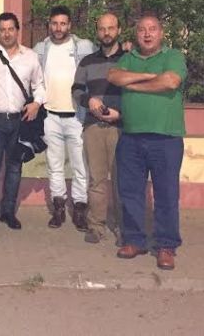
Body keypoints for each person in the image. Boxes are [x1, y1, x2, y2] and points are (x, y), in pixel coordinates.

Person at [108, 15, 187, 270]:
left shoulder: (173, 56)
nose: (147, 34)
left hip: (166, 138)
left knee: (166, 194)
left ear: (161, 33)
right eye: (142, 30)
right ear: (136, 34)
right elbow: (114, 76)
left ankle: (166, 246)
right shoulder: (128, 57)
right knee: (130, 192)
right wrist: (150, 76)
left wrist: (134, 84)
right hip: (131, 137)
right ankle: (135, 240)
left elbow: (171, 81)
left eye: (152, 29)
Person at [0, 12, 44, 235]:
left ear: (17, 31)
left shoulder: (31, 57)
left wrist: (36, 103)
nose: (6, 33)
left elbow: (40, 85)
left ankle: (7, 212)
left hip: (20, 120)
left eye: (10, 29)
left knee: (15, 167)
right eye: (2, 30)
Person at [33, 6, 94, 231]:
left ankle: (79, 209)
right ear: (49, 24)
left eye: (63, 23)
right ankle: (58, 208)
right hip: (50, 116)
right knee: (55, 165)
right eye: (54, 23)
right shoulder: (41, 48)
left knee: (80, 165)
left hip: (77, 116)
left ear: (70, 25)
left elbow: (101, 62)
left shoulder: (83, 46)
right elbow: (30, 70)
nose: (58, 28)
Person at [72, 13, 124, 244]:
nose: (106, 33)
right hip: (93, 126)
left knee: (122, 180)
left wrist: (120, 113)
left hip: (121, 128)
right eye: (102, 29)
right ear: (97, 32)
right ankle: (96, 226)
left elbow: (137, 92)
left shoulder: (130, 60)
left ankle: (124, 228)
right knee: (97, 179)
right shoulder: (87, 61)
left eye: (111, 28)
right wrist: (88, 101)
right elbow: (76, 89)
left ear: (119, 30)